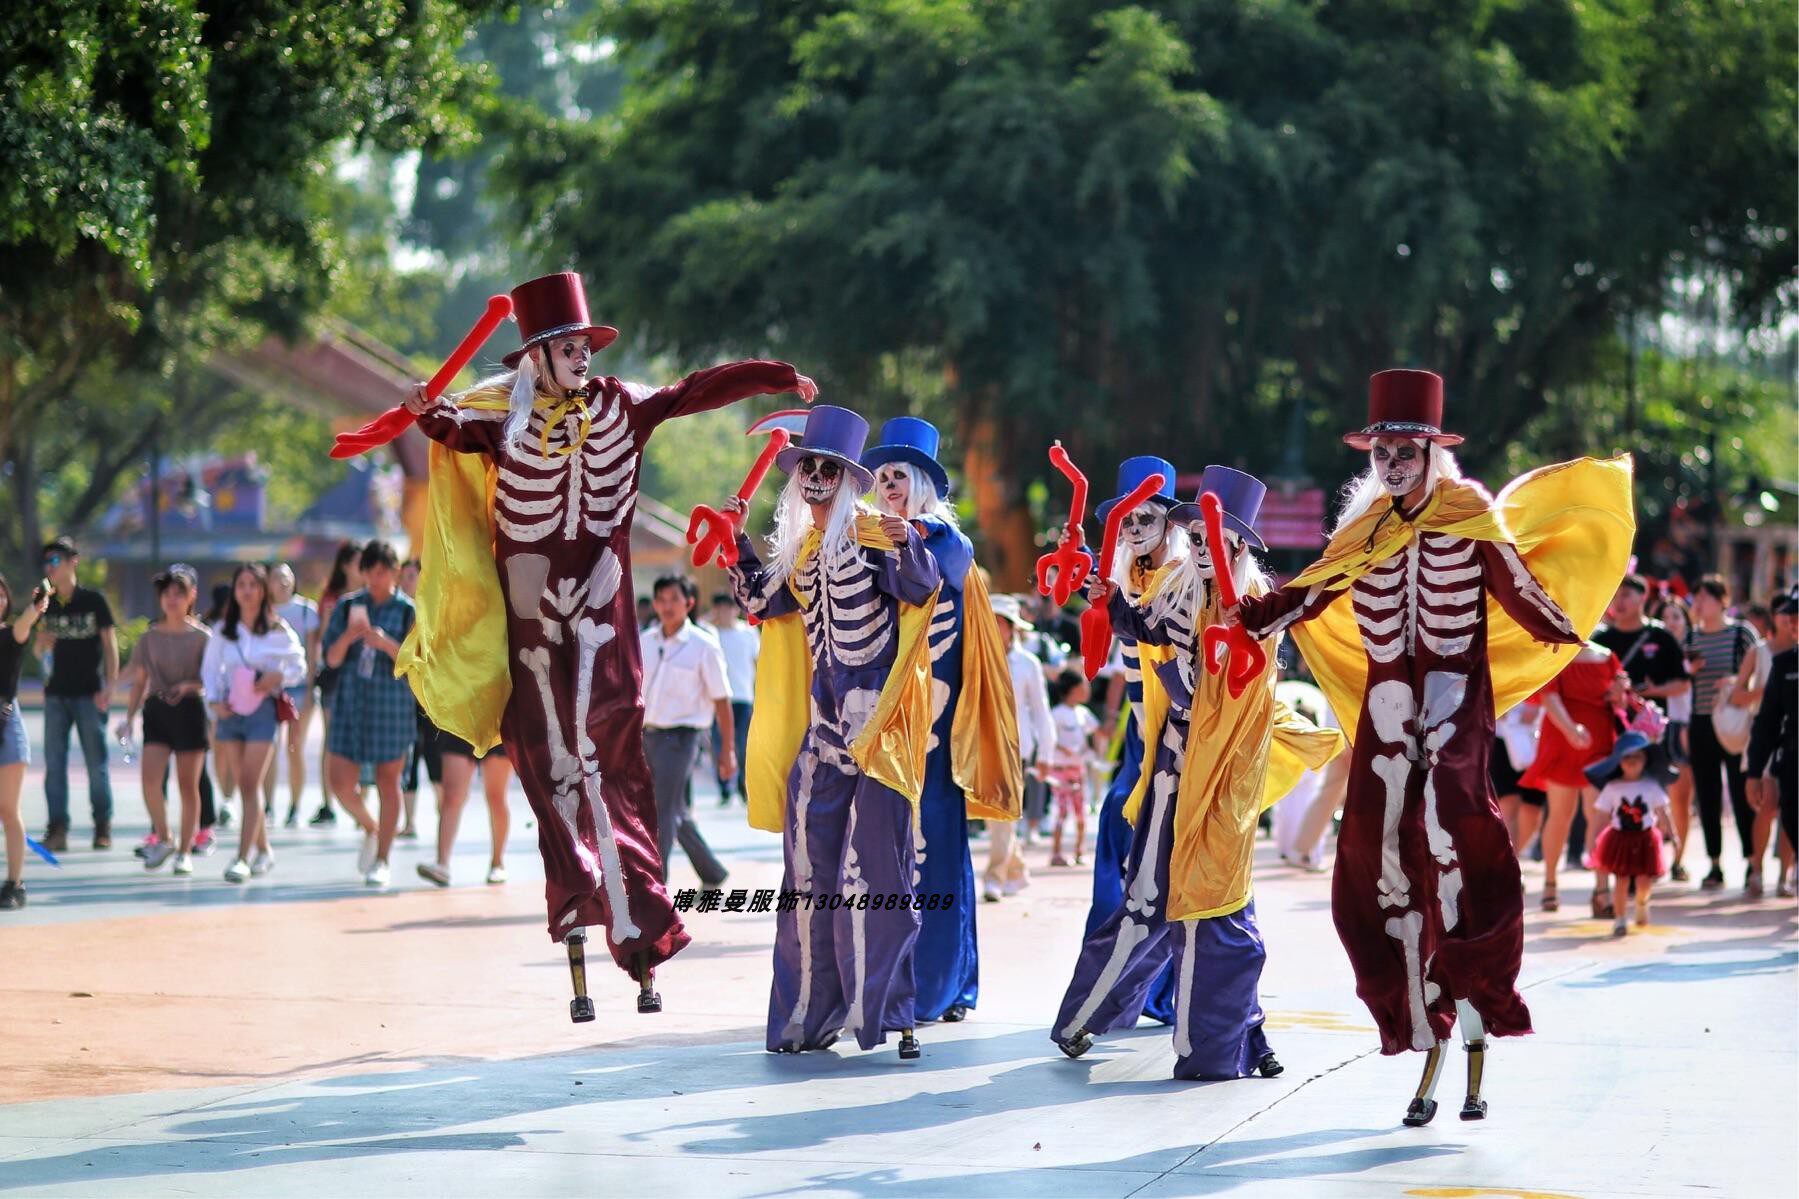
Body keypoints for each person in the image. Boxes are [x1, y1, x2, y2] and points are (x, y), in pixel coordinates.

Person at [393, 270, 816, 1017]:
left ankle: (641, 933)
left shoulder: (623, 404)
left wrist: (775, 376)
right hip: (531, 617)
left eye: (586, 345)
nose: (583, 355)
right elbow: (449, 429)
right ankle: (576, 899)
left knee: (612, 764)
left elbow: (693, 390)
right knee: (545, 764)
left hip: (601, 611)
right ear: (538, 356)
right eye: (568, 346)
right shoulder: (505, 424)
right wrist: (425, 411)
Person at [1228, 369, 1631, 1125]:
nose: (1390, 463)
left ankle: (1478, 982)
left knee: (1457, 830)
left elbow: (1517, 587)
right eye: (1381, 451)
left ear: (1429, 453)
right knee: (1374, 852)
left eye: (1403, 450)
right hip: (1389, 705)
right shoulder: (1364, 531)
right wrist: (1247, 616)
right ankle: (1415, 1012)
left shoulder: (1467, 513)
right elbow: (1308, 593)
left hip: (1454, 696)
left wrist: (1570, 636)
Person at [1056, 467, 1343, 1079]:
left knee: (1216, 904)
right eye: (1195, 535)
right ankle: (1089, 1019)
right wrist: (1104, 597)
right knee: (1153, 897)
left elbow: (1243, 686)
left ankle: (1238, 1038)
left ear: (1237, 546)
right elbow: (1142, 625)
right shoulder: (1178, 589)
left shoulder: (1255, 605)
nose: (1203, 547)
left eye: (1214, 538)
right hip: (1172, 763)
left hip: (1223, 776)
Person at [726, 404, 941, 1058]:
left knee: (877, 870)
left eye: (828, 468)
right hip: (823, 726)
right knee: (806, 867)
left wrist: (906, 542)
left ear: (847, 479)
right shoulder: (805, 552)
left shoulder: (874, 534)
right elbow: (761, 602)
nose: (815, 477)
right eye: (807, 467)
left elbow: (921, 587)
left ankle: (891, 1013)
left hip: (877, 727)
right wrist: (736, 542)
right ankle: (806, 1015)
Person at [862, 416, 1021, 1024]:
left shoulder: (945, 541)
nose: (888, 485)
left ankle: (934, 986)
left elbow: (953, 551)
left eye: (898, 475)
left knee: (935, 846)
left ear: (922, 484)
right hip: (888, 718)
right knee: (908, 852)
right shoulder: (875, 541)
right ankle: (951, 982)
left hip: (938, 725)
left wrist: (908, 530)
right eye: (881, 477)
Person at [1075, 457, 1185, 1021]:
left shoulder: (1184, 579)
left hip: (1181, 741)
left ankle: (1165, 993)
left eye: (1147, 517)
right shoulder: (1122, 578)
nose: (1137, 528)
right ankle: (1116, 993)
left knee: (1175, 863)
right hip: (1140, 743)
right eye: (1128, 520)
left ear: (1170, 521)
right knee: (1120, 839)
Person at [202, 563, 306, 883]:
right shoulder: (224, 629)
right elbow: (210, 669)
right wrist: (214, 702)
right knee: (245, 785)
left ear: (263, 590)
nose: (247, 591)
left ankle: (241, 857)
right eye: (241, 585)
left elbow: (299, 665)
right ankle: (264, 850)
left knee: (249, 783)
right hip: (231, 709)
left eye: (253, 585)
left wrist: (278, 676)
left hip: (262, 711)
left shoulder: (277, 628)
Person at [321, 540, 416, 887]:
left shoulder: (407, 611)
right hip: (351, 702)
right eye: (370, 572)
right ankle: (372, 827)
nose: (376, 579)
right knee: (339, 781)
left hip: (391, 705)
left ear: (394, 572)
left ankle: (382, 859)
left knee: (388, 781)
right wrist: (349, 636)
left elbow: (416, 662)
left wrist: (386, 643)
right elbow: (330, 659)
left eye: (382, 572)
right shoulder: (348, 606)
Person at [115, 567, 211, 874]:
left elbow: (211, 680)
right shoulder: (149, 637)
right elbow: (140, 679)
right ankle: (165, 836)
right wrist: (129, 718)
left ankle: (185, 851)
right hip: (157, 710)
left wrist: (190, 686)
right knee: (150, 780)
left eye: (179, 593)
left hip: (190, 711)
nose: (172, 599)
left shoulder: (203, 637)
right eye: (167, 593)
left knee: (188, 784)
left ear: (191, 596)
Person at [640, 574, 733, 890]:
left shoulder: (703, 646)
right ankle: (712, 872)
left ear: (689, 603)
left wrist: (727, 751)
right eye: (661, 600)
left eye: (674, 599)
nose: (667, 606)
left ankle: (656, 883)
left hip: (682, 739)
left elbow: (722, 699)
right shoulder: (645, 642)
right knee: (675, 808)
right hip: (648, 736)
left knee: (662, 808)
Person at [1520, 642, 1626, 916]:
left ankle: (1601, 889)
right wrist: (1570, 729)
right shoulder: (1557, 649)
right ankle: (1550, 882)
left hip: (1599, 741)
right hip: (1561, 738)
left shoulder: (1607, 656)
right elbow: (1548, 695)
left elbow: (1620, 701)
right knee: (1560, 814)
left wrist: (1620, 694)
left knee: (1598, 814)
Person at [35, 537, 118, 851]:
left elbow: (110, 645)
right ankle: (57, 828)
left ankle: (102, 825)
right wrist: (41, 642)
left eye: (56, 560)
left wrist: (110, 686)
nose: (50, 567)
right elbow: (38, 650)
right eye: (46, 561)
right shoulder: (45, 602)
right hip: (55, 694)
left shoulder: (94, 600)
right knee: (54, 764)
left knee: (96, 764)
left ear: (74, 561)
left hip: (89, 694)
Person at [1684, 575, 1763, 892]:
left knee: (1742, 790)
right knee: (1707, 794)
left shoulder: (1741, 633)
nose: (1699, 603)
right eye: (1697, 597)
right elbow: (1681, 678)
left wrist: (1733, 681)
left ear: (1722, 601)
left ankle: (1751, 860)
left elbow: (1759, 670)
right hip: (1701, 722)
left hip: (1734, 723)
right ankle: (1714, 863)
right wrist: (1689, 671)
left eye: (1705, 597)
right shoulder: (1690, 637)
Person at [990, 595, 1052, 902]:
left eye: (1002, 622)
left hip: (1017, 745)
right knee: (993, 812)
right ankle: (1015, 870)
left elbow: (1040, 710)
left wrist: (1046, 754)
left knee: (1003, 812)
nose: (996, 627)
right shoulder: (974, 657)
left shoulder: (1028, 664)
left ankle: (995, 876)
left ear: (1013, 628)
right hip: (982, 742)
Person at [1585, 733, 1674, 936]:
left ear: (1645, 760)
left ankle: (1642, 903)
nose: (1632, 762)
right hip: (1620, 839)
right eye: (1627, 757)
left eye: (1637, 757)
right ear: (1619, 761)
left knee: (1644, 881)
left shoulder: (1651, 786)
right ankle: (1620, 919)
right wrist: (1593, 840)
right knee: (1621, 880)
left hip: (1646, 839)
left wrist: (1672, 834)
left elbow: (1663, 811)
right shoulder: (1612, 788)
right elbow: (1600, 816)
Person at [0, 574, 51, 909]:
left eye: (1, 594)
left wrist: (37, 606)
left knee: (7, 809)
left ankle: (14, 884)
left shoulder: (11, 634)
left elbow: (25, 623)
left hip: (5, 725)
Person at [309, 542, 363, 827]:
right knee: (331, 739)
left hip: (363, 677)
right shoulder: (331, 598)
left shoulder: (373, 596)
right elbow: (324, 637)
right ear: (345, 565)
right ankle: (327, 802)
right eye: (358, 562)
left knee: (363, 736)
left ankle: (360, 803)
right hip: (335, 676)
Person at [1747, 593, 1798, 899]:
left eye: (1797, 616)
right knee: (1790, 818)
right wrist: (1754, 772)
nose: (1791, 622)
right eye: (1790, 616)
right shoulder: (1784, 664)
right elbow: (1767, 722)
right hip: (1792, 760)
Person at [416, 740, 514, 887]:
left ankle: (497, 863)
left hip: (496, 729)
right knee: (451, 796)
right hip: (462, 729)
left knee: (496, 797)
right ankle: (442, 864)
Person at [268, 563, 321, 829]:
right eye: (277, 578)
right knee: (268, 746)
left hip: (300, 688)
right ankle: (267, 806)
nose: (282, 582)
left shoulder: (306, 610)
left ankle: (294, 807)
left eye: (287, 577)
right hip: (270, 687)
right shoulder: (263, 611)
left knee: (294, 746)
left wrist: (311, 689)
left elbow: (312, 652)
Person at [1656, 597, 1697, 880]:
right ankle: (1652, 858)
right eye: (1665, 617)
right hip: (1654, 727)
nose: (1670, 623)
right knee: (1652, 797)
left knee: (1681, 800)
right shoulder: (1650, 648)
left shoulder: (1694, 653)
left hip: (1685, 726)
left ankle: (1678, 860)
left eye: (1676, 617)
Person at [705, 593, 758, 807]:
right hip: (718, 698)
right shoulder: (711, 634)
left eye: (728, 608)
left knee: (743, 745)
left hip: (743, 697)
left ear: (736, 610)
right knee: (719, 745)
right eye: (719, 609)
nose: (724, 613)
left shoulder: (748, 632)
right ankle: (725, 788)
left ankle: (744, 788)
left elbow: (758, 662)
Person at [396, 558, 433, 841]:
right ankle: (409, 821)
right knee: (409, 759)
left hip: (430, 700)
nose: (407, 581)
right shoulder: (398, 611)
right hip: (404, 700)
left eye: (412, 575)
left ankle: (443, 816)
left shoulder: (431, 609)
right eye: (404, 576)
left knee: (435, 760)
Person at [1045, 670, 1099, 866]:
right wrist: (1063, 749)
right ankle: (1056, 852)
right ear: (1073, 689)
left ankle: (1079, 851)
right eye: (1083, 686)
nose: (1087, 690)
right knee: (1061, 811)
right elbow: (1048, 738)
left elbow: (1096, 732)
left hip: (1078, 769)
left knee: (1080, 812)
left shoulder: (1083, 713)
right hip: (1060, 770)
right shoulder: (1056, 714)